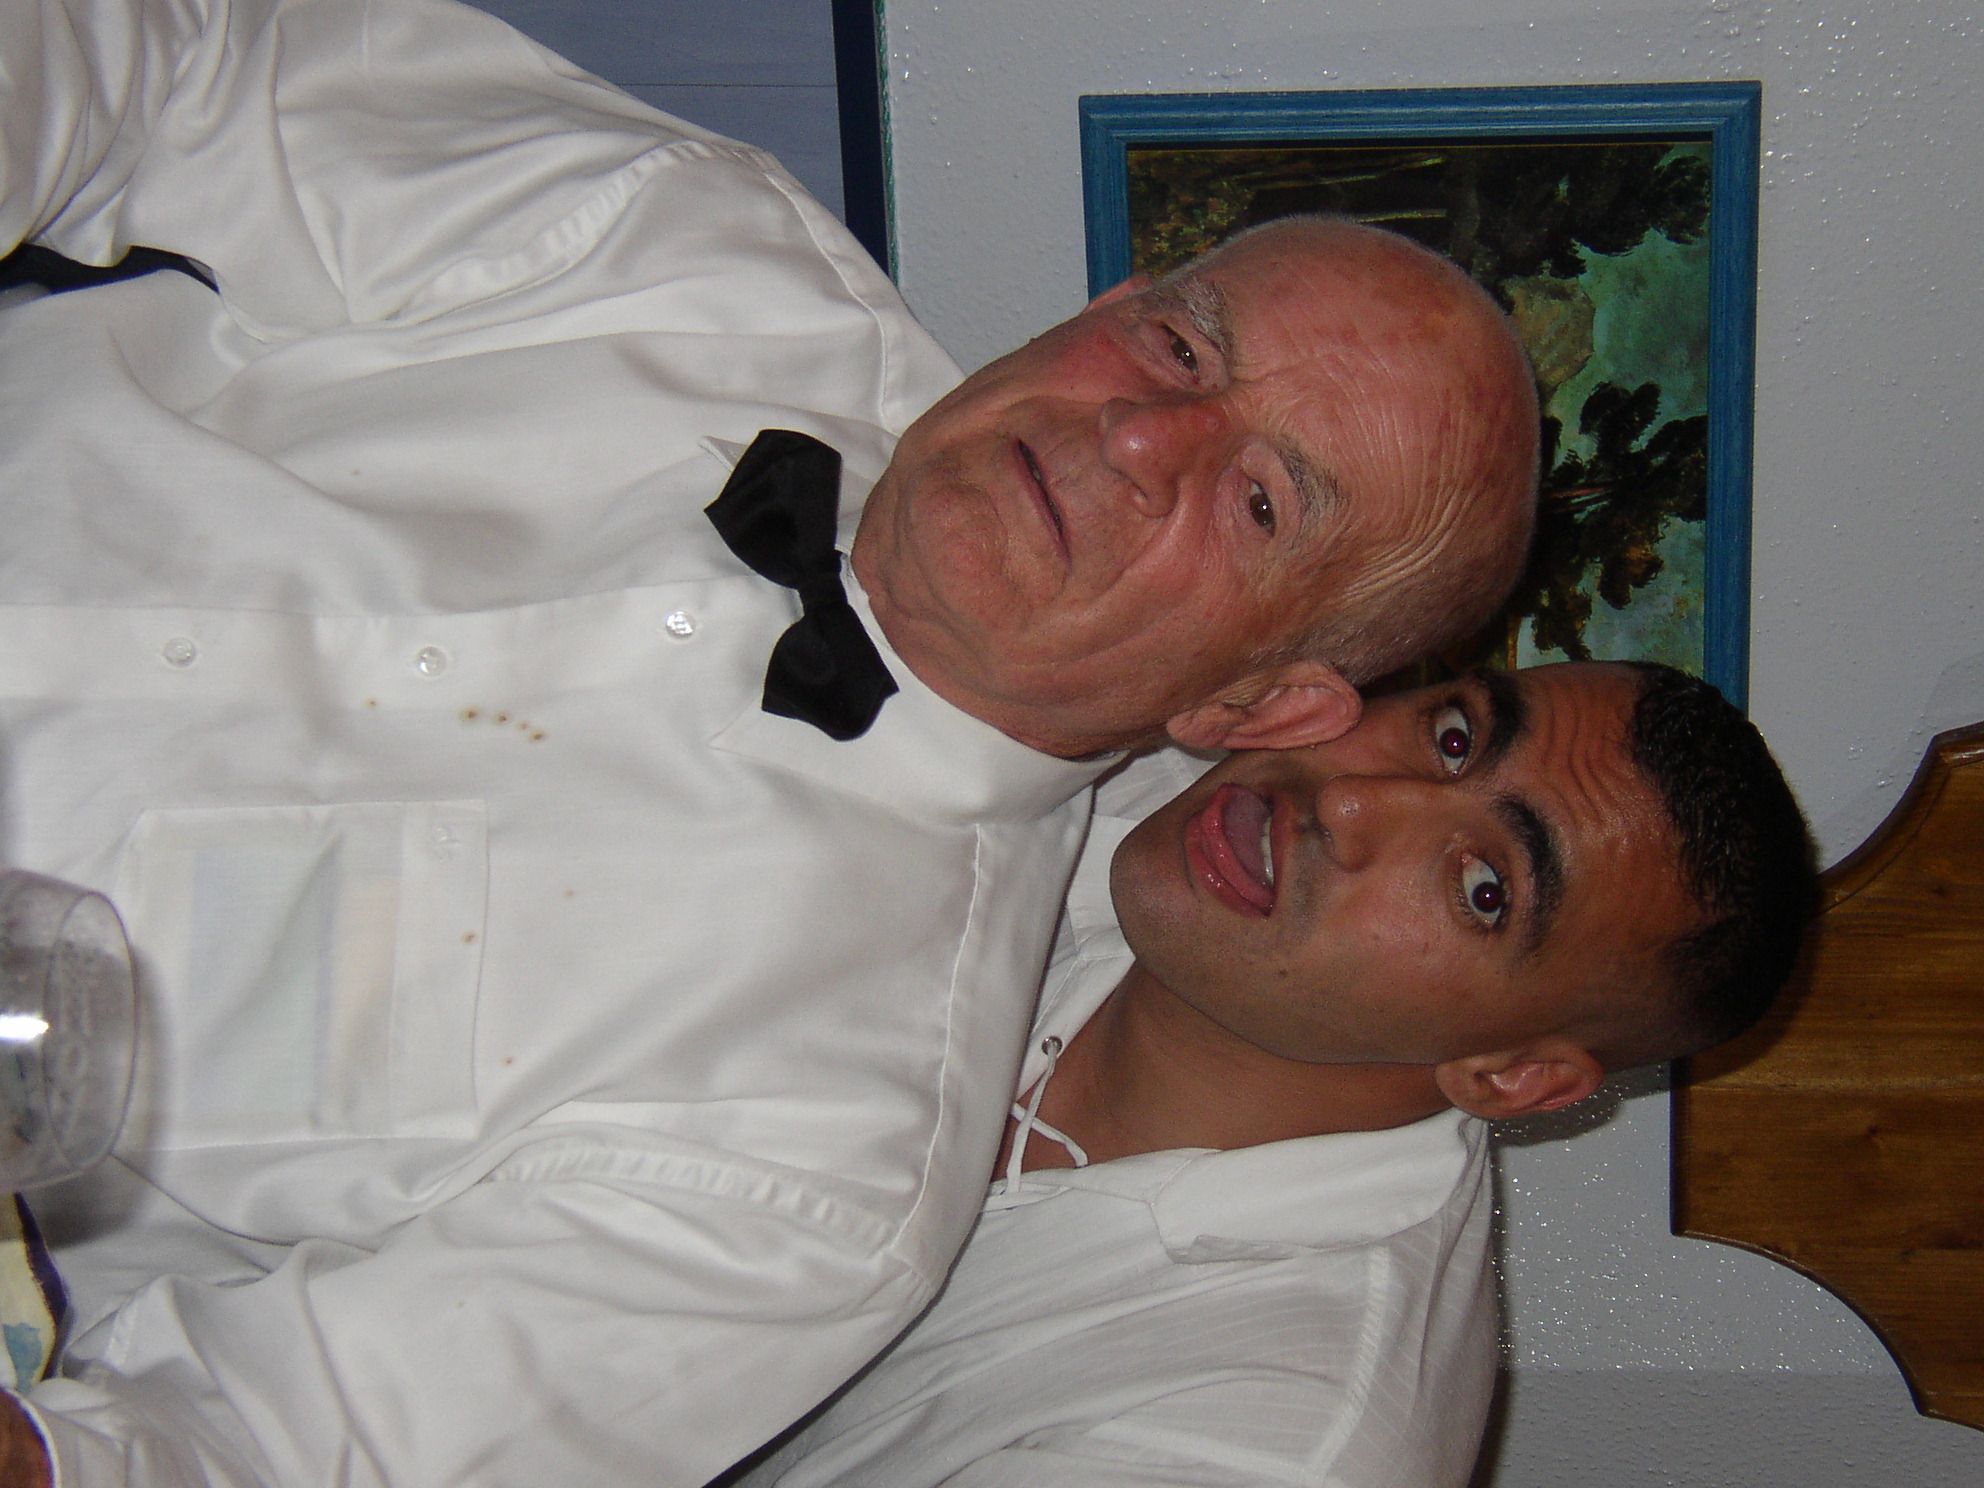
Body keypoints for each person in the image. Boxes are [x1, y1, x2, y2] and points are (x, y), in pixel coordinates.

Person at [0, 1, 1537, 1484]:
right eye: (1183, 349)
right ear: (1109, 305)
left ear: (1253, 710)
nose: (1141, 436)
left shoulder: (813, 1174)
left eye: (1258, 502)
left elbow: (248, 1450)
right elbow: (177, 56)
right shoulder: (705, 259)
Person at [733, 661, 1818, 1488]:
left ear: (1513, 1074)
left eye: (1483, 889)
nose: (1353, 802)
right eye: (1451, 737)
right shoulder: (1121, 756)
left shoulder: (1270, 1440)